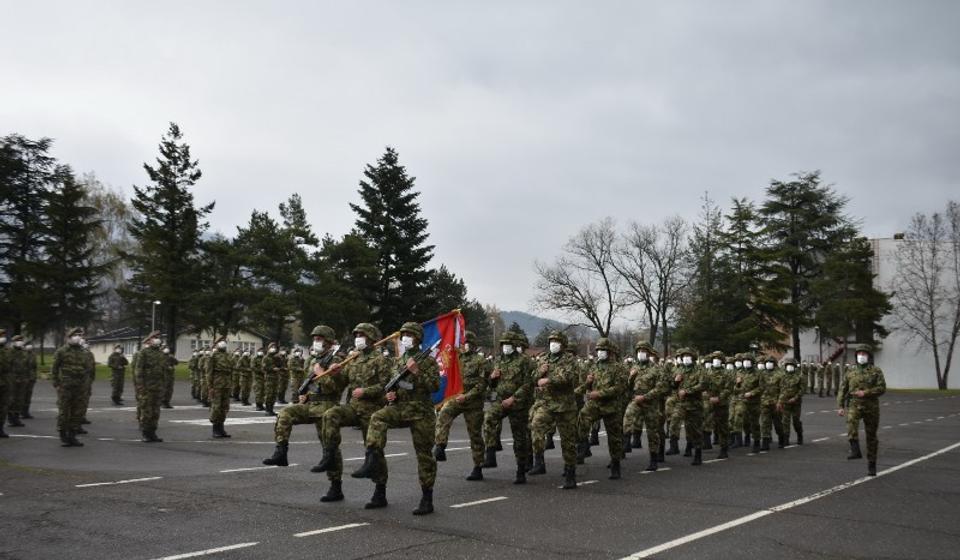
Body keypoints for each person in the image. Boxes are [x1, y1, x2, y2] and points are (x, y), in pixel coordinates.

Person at [352, 322, 440, 515]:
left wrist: (417, 371)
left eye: (409, 334)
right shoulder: (398, 361)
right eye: (404, 334)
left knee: (424, 455)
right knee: (378, 417)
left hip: (421, 411)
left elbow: (434, 387)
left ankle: (427, 498)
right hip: (401, 407)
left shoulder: (428, 361)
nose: (405, 337)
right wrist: (391, 396)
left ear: (418, 338)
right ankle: (372, 459)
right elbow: (393, 387)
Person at [317, 323, 391, 509]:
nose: (358, 337)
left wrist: (365, 391)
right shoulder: (354, 359)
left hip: (372, 411)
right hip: (353, 407)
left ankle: (380, 491)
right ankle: (330, 454)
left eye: (361, 334)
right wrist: (335, 373)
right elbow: (342, 382)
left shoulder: (381, 360)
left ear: (371, 338)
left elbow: (386, 386)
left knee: (375, 451)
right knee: (331, 414)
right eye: (356, 334)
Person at [433, 331, 491, 481]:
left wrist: (467, 396)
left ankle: (477, 467)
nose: (466, 346)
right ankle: (440, 445)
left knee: (475, 435)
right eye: (464, 343)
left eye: (469, 343)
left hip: (473, 402)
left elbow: (482, 384)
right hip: (456, 398)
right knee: (444, 413)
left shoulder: (481, 362)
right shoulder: (455, 359)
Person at [481, 333, 533, 484]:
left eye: (508, 344)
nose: (505, 346)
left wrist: (514, 398)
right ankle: (491, 452)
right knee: (489, 418)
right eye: (503, 343)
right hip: (501, 400)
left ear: (514, 345)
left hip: (518, 403)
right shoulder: (498, 360)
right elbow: (491, 385)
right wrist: (492, 378)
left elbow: (529, 384)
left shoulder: (524, 360)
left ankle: (521, 469)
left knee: (519, 437)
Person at [529, 331, 579, 489]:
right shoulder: (543, 358)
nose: (553, 343)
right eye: (551, 341)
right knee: (536, 426)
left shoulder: (570, 359)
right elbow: (533, 378)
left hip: (565, 406)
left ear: (562, 344)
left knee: (568, 441)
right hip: (547, 403)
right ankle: (539, 462)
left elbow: (569, 378)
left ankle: (570, 473)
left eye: (557, 341)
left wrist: (549, 379)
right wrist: (539, 373)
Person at [574, 338, 625, 479]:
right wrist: (589, 383)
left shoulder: (618, 367)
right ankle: (583, 445)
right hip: (595, 404)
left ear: (609, 352)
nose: (600, 352)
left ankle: (615, 465)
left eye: (603, 350)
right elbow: (589, 386)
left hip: (611, 406)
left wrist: (600, 393)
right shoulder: (594, 366)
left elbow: (619, 388)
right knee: (582, 417)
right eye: (599, 350)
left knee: (614, 437)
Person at [838, 344, 886, 476]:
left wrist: (866, 393)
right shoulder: (850, 371)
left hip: (871, 407)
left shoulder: (876, 371)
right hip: (854, 405)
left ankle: (872, 464)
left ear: (869, 356)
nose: (861, 356)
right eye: (859, 354)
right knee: (851, 422)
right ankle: (855, 449)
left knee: (871, 436)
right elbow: (843, 389)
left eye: (864, 354)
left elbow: (882, 388)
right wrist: (841, 406)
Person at [623, 341, 668, 471]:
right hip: (636, 400)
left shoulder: (656, 369)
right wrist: (631, 377)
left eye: (643, 351)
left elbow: (661, 387)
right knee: (627, 417)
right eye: (639, 351)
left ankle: (654, 458)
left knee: (652, 432)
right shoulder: (633, 368)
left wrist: (645, 396)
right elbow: (628, 387)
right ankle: (626, 441)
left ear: (648, 353)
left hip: (650, 403)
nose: (641, 353)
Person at [51, 328, 90, 447]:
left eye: (80, 335)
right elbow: (54, 368)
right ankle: (63, 434)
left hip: (80, 387)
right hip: (65, 386)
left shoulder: (83, 352)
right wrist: (56, 383)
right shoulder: (61, 351)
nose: (78, 337)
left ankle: (72, 436)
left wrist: (85, 385)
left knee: (77, 411)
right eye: (75, 335)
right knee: (64, 411)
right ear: (69, 337)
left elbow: (86, 369)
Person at [673, 348, 708, 465]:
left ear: (693, 357)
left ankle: (698, 453)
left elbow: (703, 385)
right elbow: (672, 386)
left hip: (695, 404)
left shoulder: (699, 370)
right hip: (681, 403)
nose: (686, 357)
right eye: (684, 356)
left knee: (694, 429)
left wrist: (687, 391)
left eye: (688, 355)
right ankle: (674, 444)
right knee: (674, 420)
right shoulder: (679, 369)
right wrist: (676, 382)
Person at [136, 331, 168, 442]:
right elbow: (139, 370)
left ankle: (153, 432)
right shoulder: (144, 353)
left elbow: (163, 371)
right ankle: (146, 433)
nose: (157, 339)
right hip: (147, 387)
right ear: (149, 340)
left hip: (158, 387)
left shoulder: (160, 354)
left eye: (158, 337)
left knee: (156, 411)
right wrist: (140, 386)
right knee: (146, 410)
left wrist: (163, 386)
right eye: (155, 337)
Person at [207, 335, 234, 438]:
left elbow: (231, 370)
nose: (223, 343)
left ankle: (221, 428)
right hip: (217, 384)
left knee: (224, 407)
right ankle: (215, 429)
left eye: (224, 341)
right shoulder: (213, 356)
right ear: (216, 344)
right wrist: (210, 387)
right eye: (221, 341)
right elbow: (209, 372)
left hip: (226, 384)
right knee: (216, 407)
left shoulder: (228, 355)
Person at [758, 356, 784, 451]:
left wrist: (780, 402)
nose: (768, 363)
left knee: (777, 424)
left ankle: (781, 438)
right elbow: (760, 387)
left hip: (776, 402)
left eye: (770, 362)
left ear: (774, 363)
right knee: (765, 423)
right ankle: (765, 443)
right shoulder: (763, 373)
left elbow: (783, 389)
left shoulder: (780, 374)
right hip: (765, 402)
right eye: (767, 362)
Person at [778, 357, 805, 446]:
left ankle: (799, 435)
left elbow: (802, 390)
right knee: (785, 421)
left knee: (795, 421)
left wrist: (795, 398)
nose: (789, 367)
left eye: (791, 365)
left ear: (794, 366)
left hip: (795, 403)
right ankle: (786, 439)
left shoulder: (799, 376)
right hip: (785, 402)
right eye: (787, 365)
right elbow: (779, 389)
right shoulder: (782, 376)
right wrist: (779, 401)